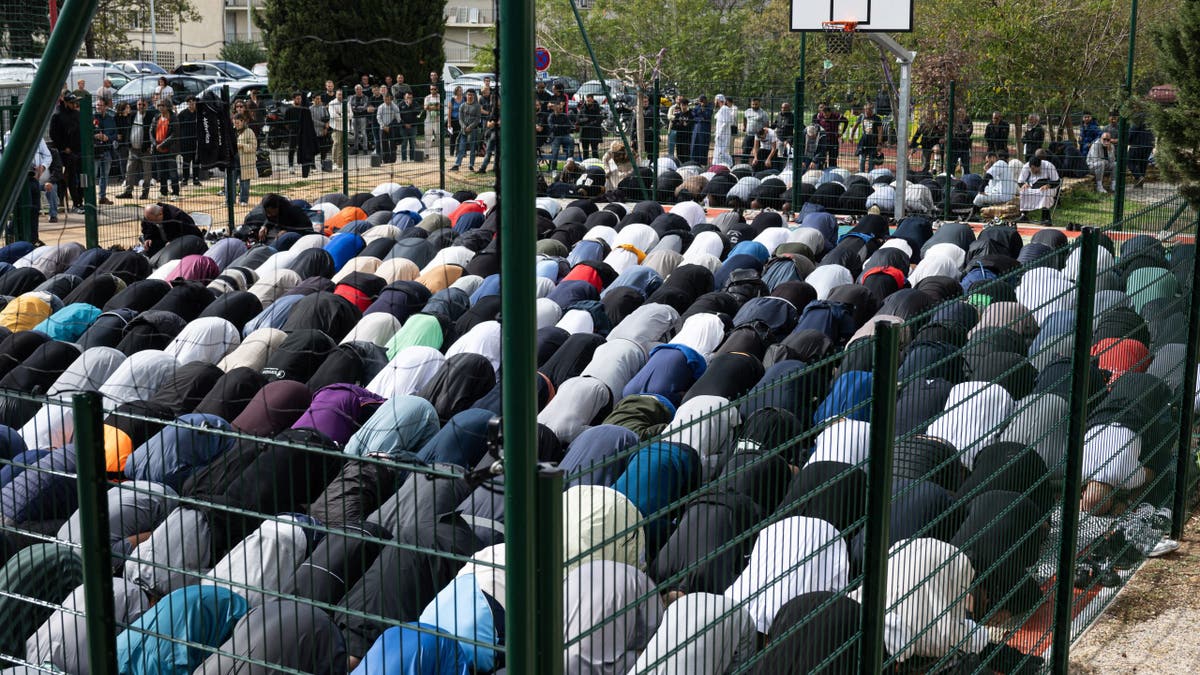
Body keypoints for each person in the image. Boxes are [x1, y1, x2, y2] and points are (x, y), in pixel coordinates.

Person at [115, 98, 156, 200]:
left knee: (147, 173)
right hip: (133, 149)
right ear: (136, 105)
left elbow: (153, 131)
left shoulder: (150, 116)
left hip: (145, 149)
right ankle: (128, 192)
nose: (141, 106)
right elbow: (119, 118)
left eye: (143, 104)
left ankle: (145, 193)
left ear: (146, 105)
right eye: (139, 104)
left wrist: (151, 145)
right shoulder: (132, 115)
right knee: (129, 171)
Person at [49, 93, 84, 213]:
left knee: (81, 178)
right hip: (66, 153)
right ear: (66, 102)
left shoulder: (77, 114)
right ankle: (73, 203)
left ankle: (80, 202)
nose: (75, 104)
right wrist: (64, 147)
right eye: (72, 102)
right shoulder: (57, 116)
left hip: (79, 151)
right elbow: (53, 134)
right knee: (70, 179)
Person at [1017, 152, 1060, 224]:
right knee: (1023, 191)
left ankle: (1046, 218)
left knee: (1045, 192)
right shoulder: (1026, 166)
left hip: (1049, 187)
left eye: (1035, 169)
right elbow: (1020, 181)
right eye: (1032, 169)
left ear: (1040, 166)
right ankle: (1023, 215)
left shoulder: (1048, 165)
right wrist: (1023, 185)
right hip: (1033, 186)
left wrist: (1048, 185)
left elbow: (1057, 181)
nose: (1033, 171)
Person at [150, 100, 181, 199]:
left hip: (170, 150)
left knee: (173, 173)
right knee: (161, 173)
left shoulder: (173, 118)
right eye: (159, 106)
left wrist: (162, 144)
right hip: (158, 150)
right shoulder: (156, 118)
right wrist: (155, 144)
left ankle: (175, 193)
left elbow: (174, 135)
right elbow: (151, 131)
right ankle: (163, 192)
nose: (160, 108)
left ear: (168, 107)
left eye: (162, 105)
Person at [92, 97, 118, 205]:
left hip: (107, 150)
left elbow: (115, 134)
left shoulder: (110, 119)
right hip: (94, 151)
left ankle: (102, 197)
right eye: (97, 105)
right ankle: (91, 198)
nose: (98, 107)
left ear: (106, 107)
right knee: (92, 175)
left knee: (104, 175)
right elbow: (86, 132)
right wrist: (95, 136)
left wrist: (108, 138)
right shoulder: (91, 118)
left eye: (101, 105)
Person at [450, 89, 482, 172]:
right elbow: (460, 118)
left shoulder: (477, 106)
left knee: (472, 148)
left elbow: (478, 119)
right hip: (463, 130)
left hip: (473, 130)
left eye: (471, 95)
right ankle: (457, 164)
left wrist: (470, 127)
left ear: (474, 96)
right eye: (468, 94)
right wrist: (464, 127)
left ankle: (471, 165)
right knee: (461, 147)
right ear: (466, 95)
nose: (470, 96)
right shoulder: (462, 105)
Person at [233, 113, 257, 205]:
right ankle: (230, 200)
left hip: (245, 161)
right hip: (233, 161)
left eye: (238, 123)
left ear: (243, 121)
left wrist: (242, 146)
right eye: (234, 123)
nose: (236, 125)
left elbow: (254, 146)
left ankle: (243, 200)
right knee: (230, 182)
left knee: (245, 182)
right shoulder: (232, 131)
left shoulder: (249, 131)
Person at [176, 96, 200, 187]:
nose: (191, 103)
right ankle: (185, 179)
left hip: (196, 140)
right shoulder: (182, 114)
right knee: (186, 161)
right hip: (185, 141)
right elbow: (178, 127)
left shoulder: (199, 113)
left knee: (196, 160)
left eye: (193, 101)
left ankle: (196, 179)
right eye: (189, 102)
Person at [545, 100, 575, 173]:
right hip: (556, 136)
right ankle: (554, 169)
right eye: (559, 109)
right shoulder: (551, 117)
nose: (561, 110)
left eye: (561, 109)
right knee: (555, 152)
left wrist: (558, 126)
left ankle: (568, 163)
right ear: (555, 108)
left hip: (565, 135)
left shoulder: (564, 116)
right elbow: (551, 127)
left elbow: (569, 125)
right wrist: (562, 126)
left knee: (571, 140)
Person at [815, 102, 846, 169]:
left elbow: (846, 121)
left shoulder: (836, 116)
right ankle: (820, 171)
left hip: (833, 140)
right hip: (823, 141)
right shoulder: (819, 116)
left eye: (827, 115)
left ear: (830, 112)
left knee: (833, 159)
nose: (825, 116)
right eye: (824, 114)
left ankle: (832, 172)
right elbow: (816, 125)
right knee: (821, 158)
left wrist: (842, 132)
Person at [852, 102, 883, 172]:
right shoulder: (862, 117)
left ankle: (870, 175)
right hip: (864, 142)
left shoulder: (877, 118)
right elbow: (855, 126)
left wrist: (879, 143)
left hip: (873, 142)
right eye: (867, 109)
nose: (868, 111)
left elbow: (880, 131)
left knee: (871, 162)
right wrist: (851, 136)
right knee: (861, 161)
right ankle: (861, 173)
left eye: (870, 109)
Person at [1127, 114, 1155, 188]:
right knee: (1142, 163)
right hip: (1148, 145)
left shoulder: (1137, 120)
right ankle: (1140, 184)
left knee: (1130, 161)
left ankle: (1139, 177)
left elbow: (1131, 133)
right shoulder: (1149, 121)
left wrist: (1127, 141)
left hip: (1137, 145)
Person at [329, 89, 352, 169]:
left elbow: (351, 115)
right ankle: (334, 163)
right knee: (336, 144)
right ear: (336, 94)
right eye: (339, 94)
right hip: (336, 128)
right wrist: (345, 116)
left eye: (341, 94)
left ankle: (340, 165)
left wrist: (340, 114)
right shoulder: (332, 103)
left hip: (345, 128)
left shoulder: (347, 103)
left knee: (343, 147)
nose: (340, 96)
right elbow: (333, 116)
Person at [741, 97, 768, 164]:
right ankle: (744, 166)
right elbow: (744, 119)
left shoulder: (763, 113)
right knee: (745, 151)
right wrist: (745, 127)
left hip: (759, 136)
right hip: (749, 135)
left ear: (759, 104)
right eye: (753, 104)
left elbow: (766, 125)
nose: (754, 106)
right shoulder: (747, 111)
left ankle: (758, 167)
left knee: (758, 153)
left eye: (756, 104)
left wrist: (764, 134)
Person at [375, 91, 400, 163]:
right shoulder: (381, 107)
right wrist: (383, 126)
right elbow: (378, 117)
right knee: (384, 144)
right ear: (383, 99)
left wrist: (390, 126)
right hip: (383, 128)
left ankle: (393, 160)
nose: (387, 101)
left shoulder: (395, 107)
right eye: (385, 100)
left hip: (392, 128)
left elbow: (398, 119)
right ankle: (385, 160)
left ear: (391, 99)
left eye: (388, 99)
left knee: (393, 144)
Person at [577, 93, 604, 160]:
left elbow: (598, 120)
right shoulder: (583, 108)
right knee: (585, 152)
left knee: (594, 151)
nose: (588, 102)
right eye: (587, 100)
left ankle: (596, 165)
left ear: (592, 99)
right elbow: (578, 119)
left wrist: (587, 123)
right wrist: (586, 120)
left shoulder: (597, 108)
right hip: (584, 133)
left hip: (594, 132)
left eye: (589, 100)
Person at [477, 96, 500, 173]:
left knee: (495, 152)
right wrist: (492, 123)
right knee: (489, 151)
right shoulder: (493, 109)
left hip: (498, 133)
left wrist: (494, 123)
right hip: (492, 133)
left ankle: (493, 168)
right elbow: (488, 122)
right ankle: (483, 168)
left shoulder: (504, 110)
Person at [690, 95, 713, 165]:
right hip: (696, 130)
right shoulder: (697, 107)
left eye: (702, 101)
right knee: (694, 145)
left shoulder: (709, 107)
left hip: (704, 130)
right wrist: (700, 118)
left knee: (703, 146)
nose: (701, 103)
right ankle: (693, 162)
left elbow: (707, 116)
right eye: (700, 101)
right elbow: (693, 116)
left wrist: (702, 111)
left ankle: (702, 163)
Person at [396, 91, 420, 162]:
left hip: (413, 127)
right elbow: (398, 116)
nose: (409, 99)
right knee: (404, 143)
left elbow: (418, 113)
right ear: (404, 97)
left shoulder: (415, 103)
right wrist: (404, 124)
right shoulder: (400, 104)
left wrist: (411, 105)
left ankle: (412, 158)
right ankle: (404, 159)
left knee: (412, 143)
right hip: (403, 127)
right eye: (407, 97)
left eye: (410, 97)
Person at [310, 93, 331, 167]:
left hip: (323, 132)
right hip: (314, 132)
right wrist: (323, 124)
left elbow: (327, 118)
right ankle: (312, 165)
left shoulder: (323, 108)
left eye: (320, 99)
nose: (319, 100)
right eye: (317, 99)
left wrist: (326, 127)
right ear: (313, 99)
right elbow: (312, 120)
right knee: (313, 149)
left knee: (323, 149)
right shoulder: (310, 109)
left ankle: (323, 164)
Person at [349, 84, 371, 154]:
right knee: (355, 134)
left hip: (362, 117)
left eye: (359, 89)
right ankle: (356, 149)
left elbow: (364, 107)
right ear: (355, 90)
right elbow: (350, 106)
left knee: (363, 133)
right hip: (354, 117)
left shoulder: (365, 97)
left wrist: (355, 108)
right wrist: (358, 108)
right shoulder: (352, 97)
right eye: (357, 89)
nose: (358, 90)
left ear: (362, 90)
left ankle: (365, 149)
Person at [949, 109, 973, 175]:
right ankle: (951, 179)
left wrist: (958, 134)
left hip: (965, 146)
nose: (961, 114)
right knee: (952, 166)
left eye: (963, 113)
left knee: (966, 167)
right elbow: (953, 133)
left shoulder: (968, 120)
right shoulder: (954, 120)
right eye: (959, 112)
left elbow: (969, 133)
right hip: (955, 146)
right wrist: (963, 133)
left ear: (965, 113)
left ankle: (966, 180)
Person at [713, 94, 734, 166]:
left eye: (715, 100)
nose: (714, 102)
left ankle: (729, 164)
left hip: (723, 135)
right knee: (718, 152)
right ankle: (717, 165)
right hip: (720, 134)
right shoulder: (722, 109)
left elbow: (726, 122)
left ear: (718, 100)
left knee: (722, 152)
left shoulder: (725, 109)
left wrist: (719, 133)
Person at [423, 85, 440, 156]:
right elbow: (425, 107)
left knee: (439, 138)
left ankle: (441, 154)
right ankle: (426, 154)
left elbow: (439, 107)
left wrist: (430, 107)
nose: (433, 90)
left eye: (434, 89)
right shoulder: (427, 97)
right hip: (428, 120)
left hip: (437, 120)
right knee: (427, 138)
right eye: (431, 89)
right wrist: (435, 106)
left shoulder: (439, 97)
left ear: (437, 89)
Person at [447, 85, 465, 153]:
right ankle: (451, 152)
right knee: (453, 137)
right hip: (454, 120)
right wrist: (449, 123)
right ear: (456, 92)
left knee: (461, 137)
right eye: (459, 91)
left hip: (462, 120)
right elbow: (449, 112)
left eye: (461, 90)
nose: (460, 92)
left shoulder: (464, 99)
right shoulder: (452, 100)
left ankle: (460, 152)